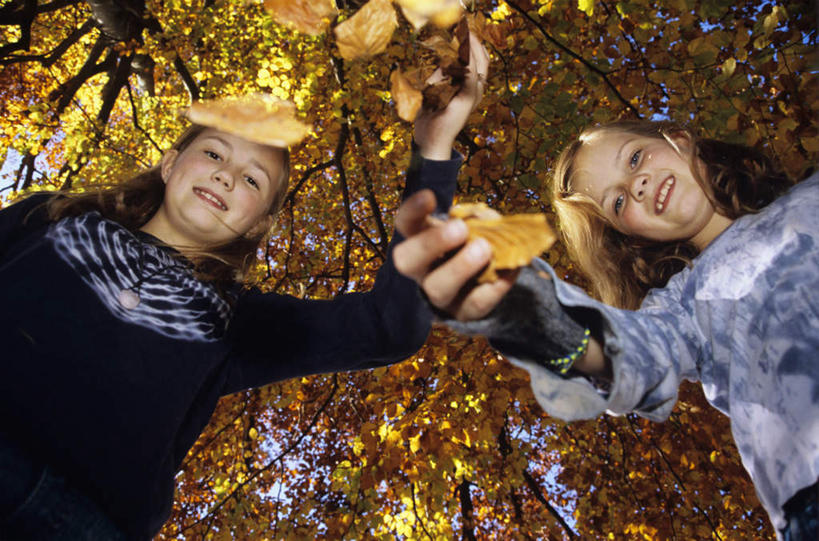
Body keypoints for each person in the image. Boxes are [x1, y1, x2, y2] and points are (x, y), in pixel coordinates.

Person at [0, 35, 490, 540]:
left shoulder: (238, 321)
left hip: (75, 520)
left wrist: (432, 149)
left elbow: (389, 327)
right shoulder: (52, 217)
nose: (228, 176)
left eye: (254, 180)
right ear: (171, 164)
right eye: (214, 151)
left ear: (259, 225)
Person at [393, 119, 818, 540]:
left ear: (680, 139)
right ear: (632, 235)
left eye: (634, 158)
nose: (636, 185)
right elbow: (632, 351)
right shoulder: (682, 307)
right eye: (617, 203)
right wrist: (531, 315)